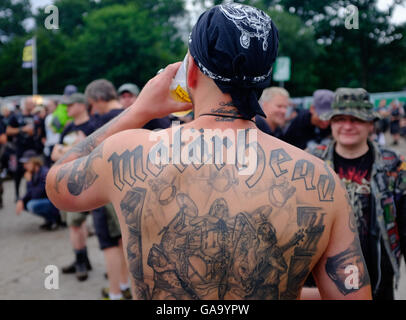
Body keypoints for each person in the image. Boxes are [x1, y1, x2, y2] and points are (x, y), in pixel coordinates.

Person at [46, 4, 372, 300]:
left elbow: (60, 184)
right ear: (263, 81)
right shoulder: (322, 180)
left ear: (189, 74)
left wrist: (137, 111)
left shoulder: (127, 150)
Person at [307, 88, 406, 300]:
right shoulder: (311, 163)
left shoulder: (395, 167)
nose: (348, 126)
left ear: (371, 124)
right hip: (322, 283)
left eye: (357, 119)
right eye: (340, 119)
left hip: (378, 282)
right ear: (331, 123)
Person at [84, 79, 132, 300]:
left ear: (98, 99)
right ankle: (124, 285)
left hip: (106, 190)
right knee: (124, 240)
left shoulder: (100, 123)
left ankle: (114, 294)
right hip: (131, 188)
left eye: (92, 104)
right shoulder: (133, 114)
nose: (92, 110)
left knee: (109, 245)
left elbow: (89, 159)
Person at [51, 93, 96, 281]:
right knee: (76, 224)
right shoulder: (69, 127)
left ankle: (81, 262)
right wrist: (75, 149)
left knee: (76, 225)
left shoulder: (93, 126)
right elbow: (54, 154)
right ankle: (82, 259)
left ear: (81, 105)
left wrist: (68, 151)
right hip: (69, 180)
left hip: (88, 181)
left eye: (70, 105)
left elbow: (94, 153)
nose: (67, 109)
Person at [16, 150, 61, 230]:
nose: (25, 166)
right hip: (47, 201)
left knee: (31, 205)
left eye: (27, 163)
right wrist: (21, 200)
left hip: (55, 203)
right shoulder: (34, 173)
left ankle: (55, 219)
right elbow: (29, 193)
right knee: (25, 203)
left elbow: (36, 195)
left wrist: (29, 182)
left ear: (34, 162)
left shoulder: (44, 173)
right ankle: (49, 220)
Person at [6, 96, 36, 201]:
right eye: (31, 103)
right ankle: (17, 194)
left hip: (33, 148)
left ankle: (32, 193)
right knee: (18, 172)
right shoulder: (16, 117)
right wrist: (22, 129)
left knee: (33, 171)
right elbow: (8, 131)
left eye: (33, 103)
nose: (33, 105)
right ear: (25, 104)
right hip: (20, 148)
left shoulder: (35, 116)